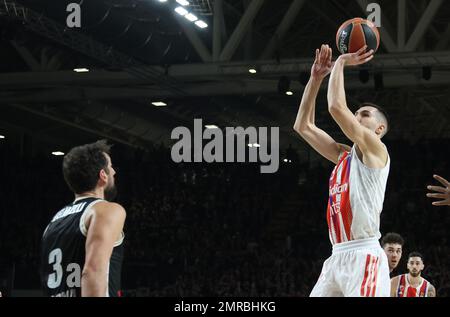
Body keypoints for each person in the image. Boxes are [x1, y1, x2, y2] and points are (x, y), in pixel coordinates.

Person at [294, 44, 391, 297]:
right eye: (356, 112)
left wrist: (340, 63)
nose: (357, 115)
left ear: (379, 129)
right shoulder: (342, 156)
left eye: (365, 114)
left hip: (364, 255)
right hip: (337, 255)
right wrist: (315, 79)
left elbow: (337, 107)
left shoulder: (377, 150)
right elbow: (303, 126)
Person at [40, 140, 126, 297]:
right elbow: (93, 271)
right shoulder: (105, 210)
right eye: (111, 166)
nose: (114, 172)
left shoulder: (52, 224)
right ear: (103, 175)